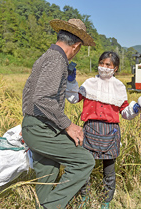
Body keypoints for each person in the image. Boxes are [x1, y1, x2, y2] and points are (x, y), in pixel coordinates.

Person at [21, 18, 96, 209]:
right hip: (41, 127)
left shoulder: (47, 56)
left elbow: (29, 92)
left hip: (36, 125)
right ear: (77, 46)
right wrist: (68, 125)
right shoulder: (57, 60)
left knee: (48, 171)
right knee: (84, 161)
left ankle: (44, 205)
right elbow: (43, 98)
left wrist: (28, 124)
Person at [66, 51, 141, 209]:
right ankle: (84, 196)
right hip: (90, 129)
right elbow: (73, 98)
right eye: (101, 63)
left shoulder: (119, 87)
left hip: (110, 131)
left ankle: (106, 200)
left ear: (115, 68)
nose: (104, 67)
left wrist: (135, 108)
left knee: (109, 170)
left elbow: (125, 113)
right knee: (85, 165)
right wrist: (71, 80)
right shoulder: (89, 83)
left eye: (108, 65)